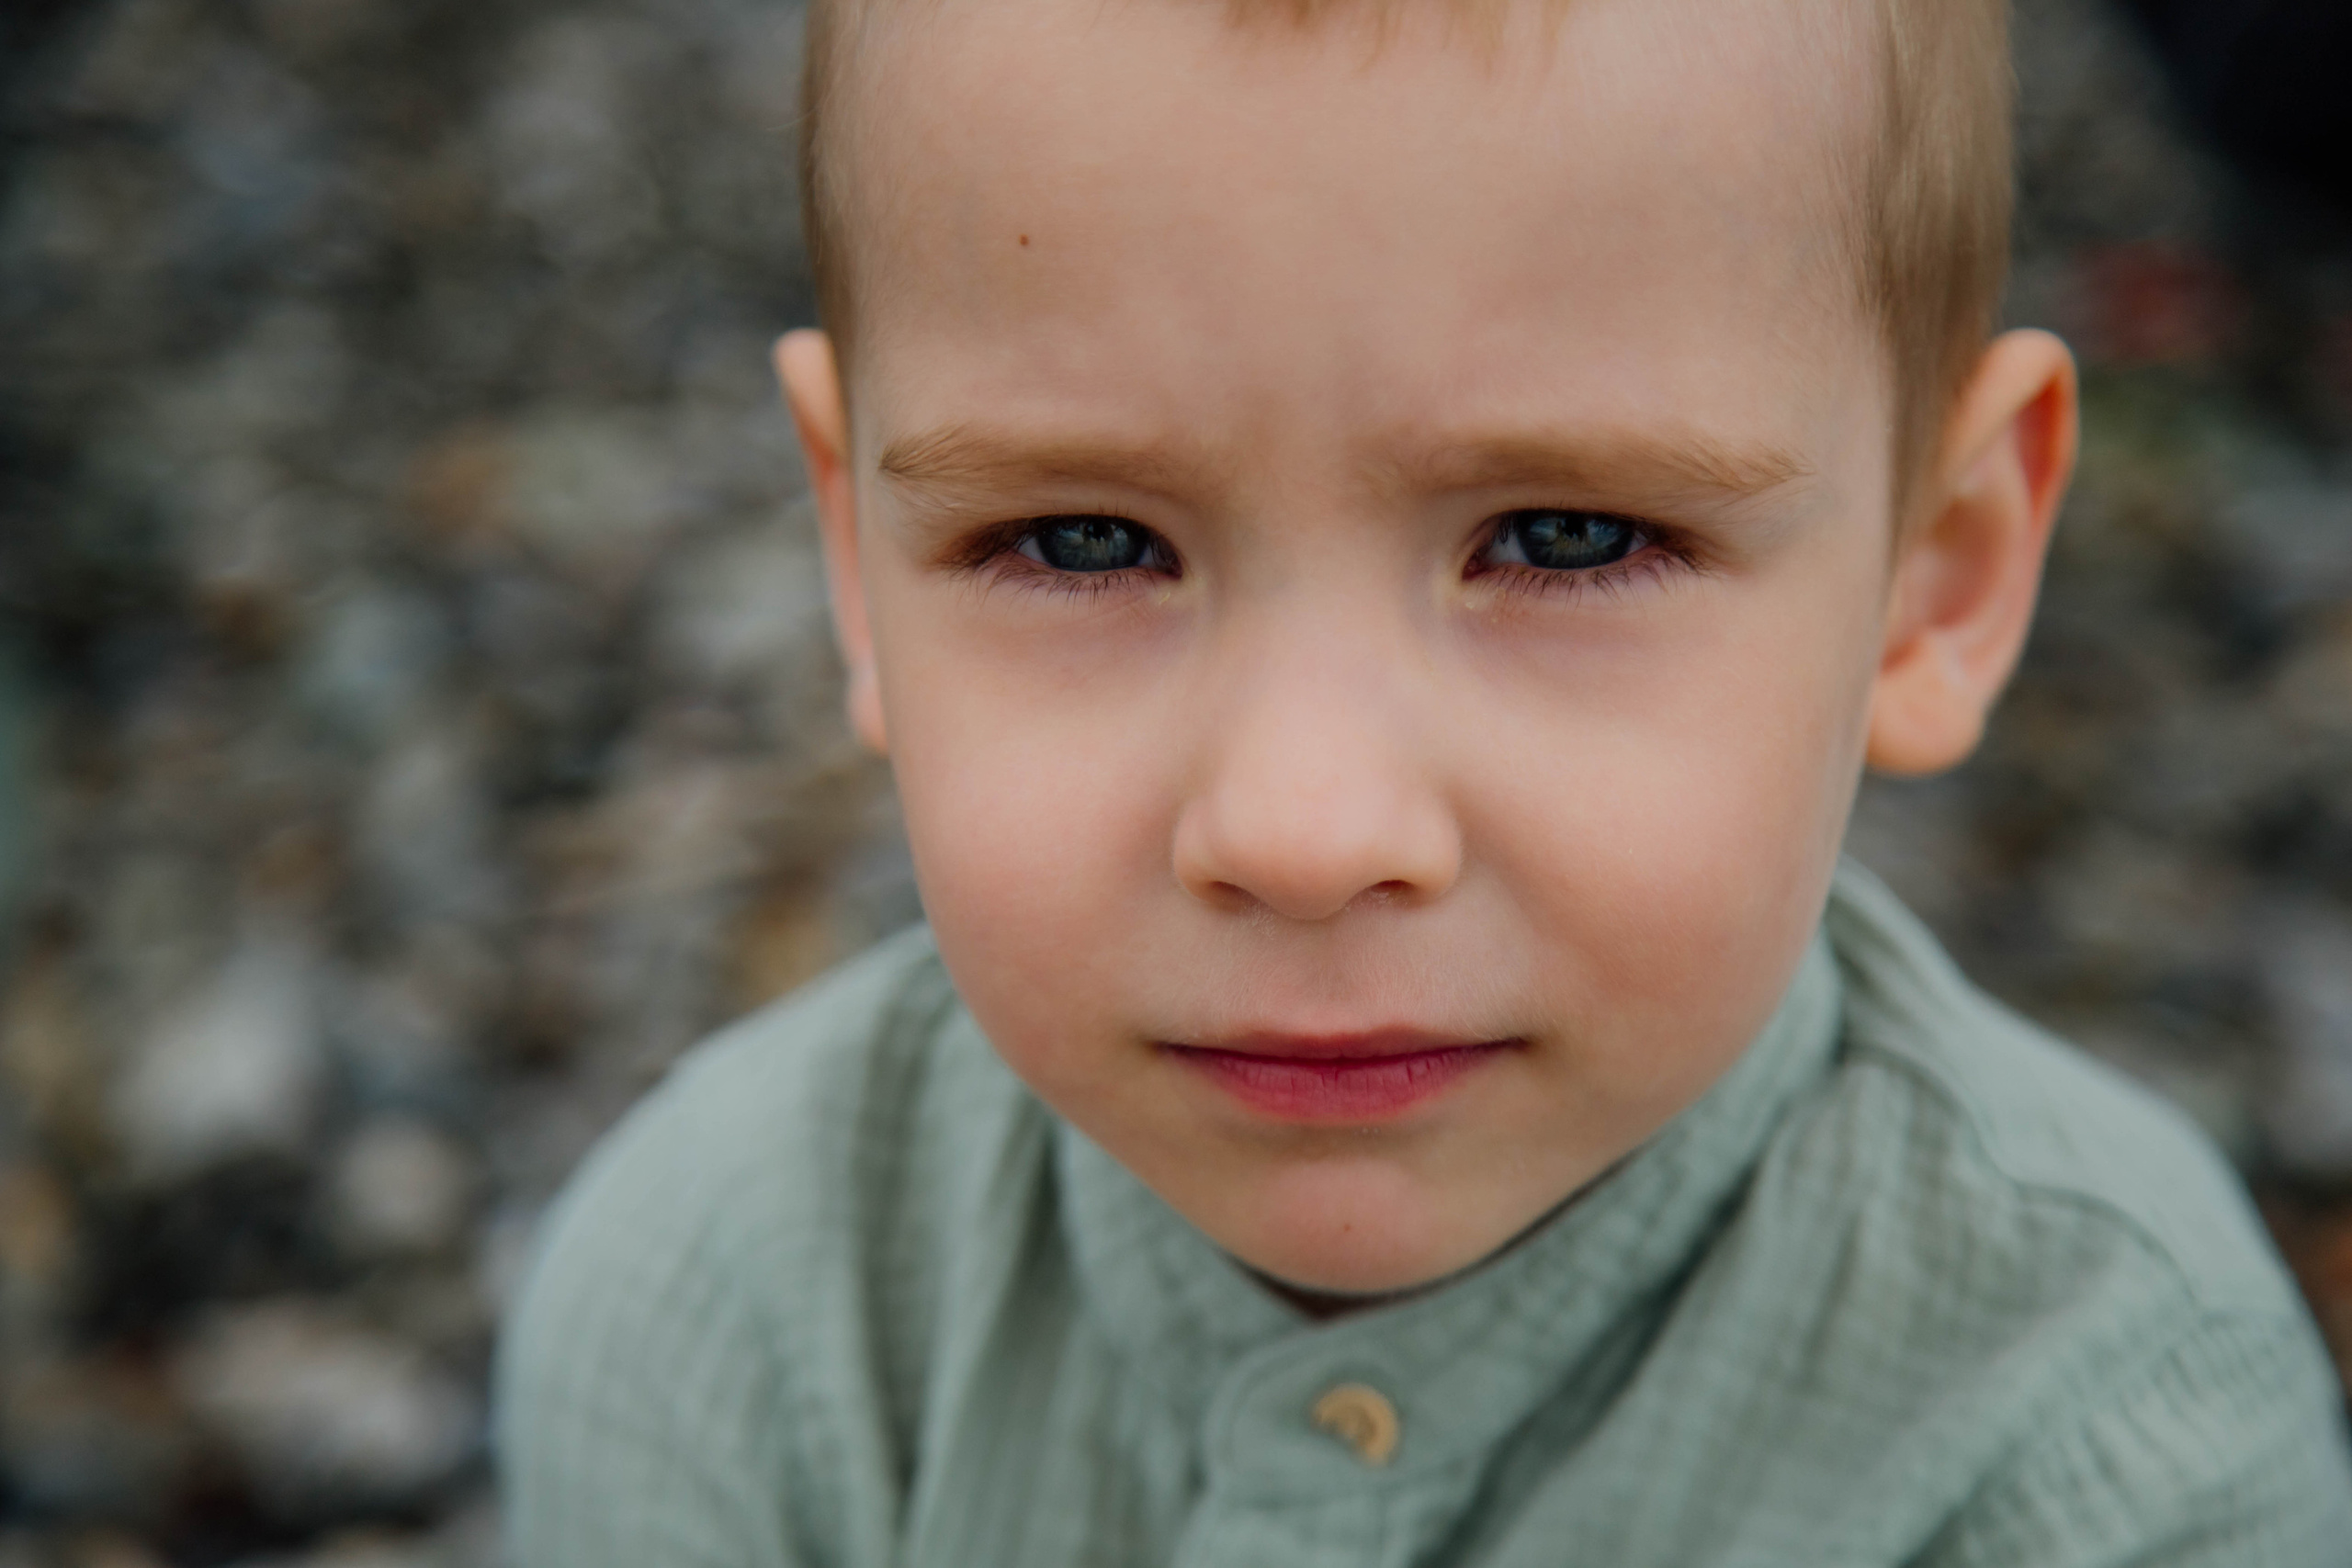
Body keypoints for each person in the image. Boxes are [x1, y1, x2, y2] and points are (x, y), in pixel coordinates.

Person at [497, 0, 2352, 1562]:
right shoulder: (725, 1317)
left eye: (1561, 538)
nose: (1304, 831)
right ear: (854, 556)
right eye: (1080, 540)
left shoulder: (2106, 1433)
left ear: (1934, 573)